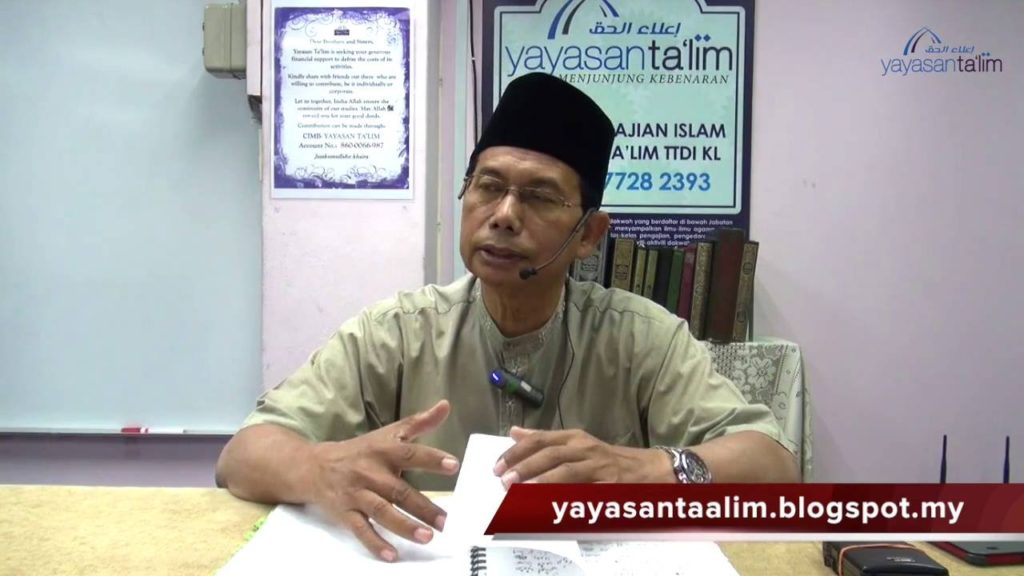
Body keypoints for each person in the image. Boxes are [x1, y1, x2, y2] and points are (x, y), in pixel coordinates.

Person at [216, 72, 799, 562]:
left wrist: (643, 468)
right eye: (488, 186)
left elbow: (773, 466)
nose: (504, 215)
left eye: (540, 197)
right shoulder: (395, 333)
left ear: (588, 235)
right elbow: (244, 455)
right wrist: (319, 466)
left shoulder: (643, 338)